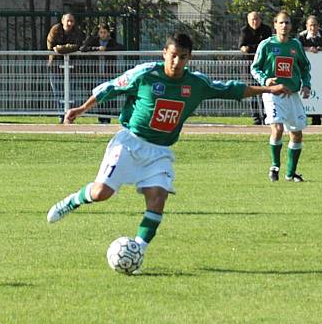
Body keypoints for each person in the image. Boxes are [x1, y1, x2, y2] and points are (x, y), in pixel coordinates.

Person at [46, 33, 290, 270]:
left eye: (183, 57)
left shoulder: (195, 83)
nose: (177, 62)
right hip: (130, 143)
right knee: (101, 193)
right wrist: (81, 108)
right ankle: (73, 201)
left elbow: (230, 89)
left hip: (160, 152)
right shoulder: (145, 74)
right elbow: (111, 88)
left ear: (189, 58)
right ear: (165, 53)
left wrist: (268, 90)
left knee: (158, 198)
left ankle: (137, 250)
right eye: (173, 55)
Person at [251, 10, 311, 183]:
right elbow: (255, 68)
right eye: (281, 22)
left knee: (297, 134)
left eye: (288, 23)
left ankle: (290, 173)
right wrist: (265, 79)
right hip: (273, 93)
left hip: (291, 94)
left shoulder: (296, 45)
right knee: (277, 129)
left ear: (291, 26)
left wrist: (306, 85)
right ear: (275, 25)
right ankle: (274, 167)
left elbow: (305, 67)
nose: (284, 26)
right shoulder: (266, 45)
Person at [80, 23, 124, 124]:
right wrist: (96, 49)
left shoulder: (112, 42)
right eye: (101, 32)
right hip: (96, 74)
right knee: (98, 95)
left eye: (105, 32)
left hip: (108, 74)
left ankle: (107, 118)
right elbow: (83, 48)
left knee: (109, 96)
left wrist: (106, 50)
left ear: (108, 33)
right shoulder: (94, 41)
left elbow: (121, 48)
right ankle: (101, 117)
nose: (103, 34)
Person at [297, 15, 322, 125]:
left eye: (315, 25)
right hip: (309, 73)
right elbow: (296, 48)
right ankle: (315, 121)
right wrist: (308, 49)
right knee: (313, 95)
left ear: (318, 26)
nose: (313, 28)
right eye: (310, 25)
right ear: (307, 26)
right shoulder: (301, 36)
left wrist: (319, 49)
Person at [46, 13, 84, 123]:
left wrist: (61, 49)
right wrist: (67, 48)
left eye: (72, 21)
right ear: (62, 21)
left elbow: (78, 45)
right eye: (68, 21)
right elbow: (51, 46)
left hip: (72, 68)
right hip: (55, 67)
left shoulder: (77, 32)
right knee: (58, 93)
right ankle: (61, 116)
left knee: (71, 93)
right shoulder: (55, 30)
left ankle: (69, 116)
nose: (70, 23)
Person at [238, 11, 272, 125]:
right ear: (248, 20)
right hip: (248, 66)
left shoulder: (266, 29)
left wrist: (251, 48)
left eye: (257, 19)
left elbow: (267, 46)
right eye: (252, 19)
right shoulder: (244, 31)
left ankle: (267, 115)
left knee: (265, 91)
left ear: (260, 19)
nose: (255, 21)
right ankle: (256, 117)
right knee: (252, 91)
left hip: (264, 66)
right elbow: (243, 47)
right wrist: (255, 48)